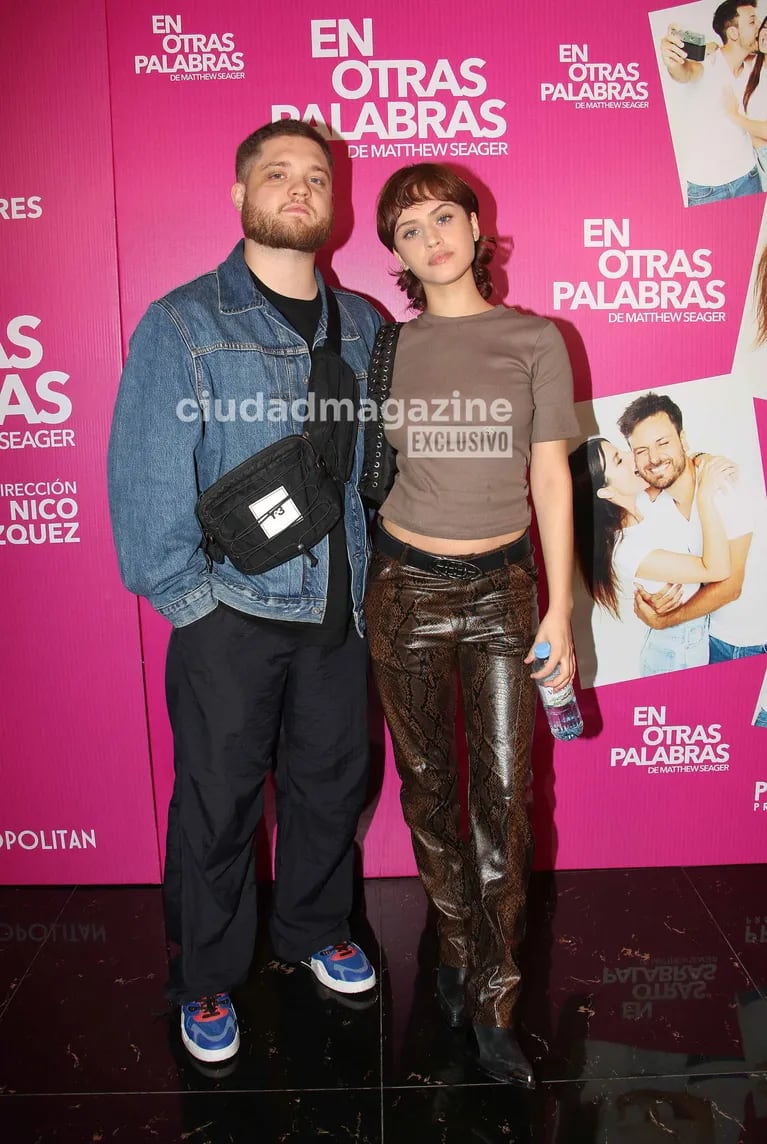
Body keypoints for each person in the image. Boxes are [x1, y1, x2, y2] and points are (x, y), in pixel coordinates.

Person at [107, 120, 380, 1066]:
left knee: (330, 786)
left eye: (316, 176)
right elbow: (146, 477)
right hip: (232, 612)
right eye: (277, 174)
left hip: (342, 614)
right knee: (218, 803)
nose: (299, 189)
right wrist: (195, 604)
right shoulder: (185, 322)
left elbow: (375, 470)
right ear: (239, 194)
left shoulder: (367, 324)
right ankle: (209, 979)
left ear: (334, 202)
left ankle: (312, 929)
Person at [360, 163, 579, 1086]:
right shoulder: (384, 348)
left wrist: (560, 610)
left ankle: (495, 998)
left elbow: (551, 479)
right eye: (408, 230)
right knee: (429, 795)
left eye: (443, 217)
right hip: (404, 590)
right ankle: (452, 950)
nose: (430, 237)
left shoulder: (536, 338)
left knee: (503, 808)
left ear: (476, 227)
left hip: (502, 594)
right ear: (398, 255)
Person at [618, 393, 767, 663]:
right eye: (641, 451)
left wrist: (665, 619)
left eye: (662, 443)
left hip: (752, 642)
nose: (653, 458)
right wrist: (648, 603)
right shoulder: (652, 500)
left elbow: (731, 585)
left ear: (683, 440)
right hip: (704, 640)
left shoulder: (725, 485)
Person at [569, 437, 732, 678]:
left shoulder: (646, 499)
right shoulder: (627, 550)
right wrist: (705, 496)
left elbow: (687, 463)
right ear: (606, 491)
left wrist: (702, 460)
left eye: (622, 449)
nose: (630, 454)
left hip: (698, 634)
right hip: (677, 652)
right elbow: (716, 570)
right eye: (619, 460)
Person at [659, 1, 760, 205]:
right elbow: (684, 72)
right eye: (752, 21)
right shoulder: (707, 62)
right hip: (707, 192)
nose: (760, 25)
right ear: (733, 33)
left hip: (749, 179)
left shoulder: (754, 67)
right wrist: (672, 61)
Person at [724, 15, 767, 188]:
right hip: (750, 158)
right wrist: (712, 47)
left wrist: (734, 116)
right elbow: (728, 50)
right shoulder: (753, 63)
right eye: (766, 27)